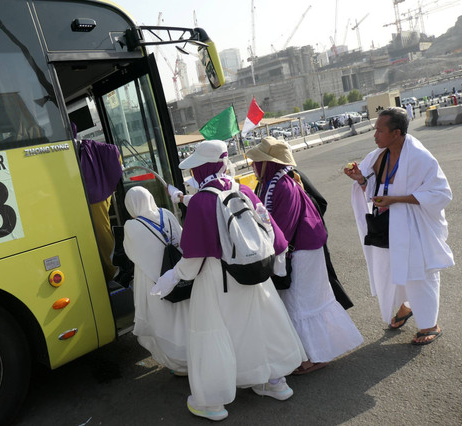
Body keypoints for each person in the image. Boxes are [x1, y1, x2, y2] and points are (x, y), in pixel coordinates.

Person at [152, 140, 306, 421]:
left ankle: (212, 402)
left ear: (201, 168)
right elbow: (273, 233)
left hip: (217, 279)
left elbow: (192, 258)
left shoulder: (201, 200)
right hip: (253, 275)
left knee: (214, 335)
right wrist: (276, 268)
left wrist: (172, 277)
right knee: (260, 327)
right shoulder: (243, 189)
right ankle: (274, 382)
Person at [246, 137, 363, 374]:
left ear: (269, 163)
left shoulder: (280, 186)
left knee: (303, 303)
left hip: (302, 252)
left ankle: (314, 356)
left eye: (258, 161)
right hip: (305, 249)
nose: (253, 165)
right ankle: (316, 351)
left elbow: (282, 228)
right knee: (307, 302)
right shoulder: (279, 181)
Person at [344, 107, 454, 345]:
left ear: (396, 133)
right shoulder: (378, 157)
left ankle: (430, 324)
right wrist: (360, 179)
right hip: (388, 226)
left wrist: (397, 200)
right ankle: (405, 307)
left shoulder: (421, 158)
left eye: (379, 131)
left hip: (415, 225)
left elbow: (441, 194)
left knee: (419, 273)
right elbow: (373, 186)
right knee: (392, 270)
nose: (375, 136)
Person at [122, 186, 189, 375]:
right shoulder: (166, 213)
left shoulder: (131, 226)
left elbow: (130, 252)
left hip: (155, 284)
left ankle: (179, 365)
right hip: (179, 275)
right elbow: (183, 237)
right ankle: (193, 356)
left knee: (165, 324)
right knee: (185, 318)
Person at [73, 123, 122, 283]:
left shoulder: (81, 148)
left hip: (94, 196)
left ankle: (114, 271)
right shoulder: (90, 147)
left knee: (101, 234)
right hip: (97, 194)